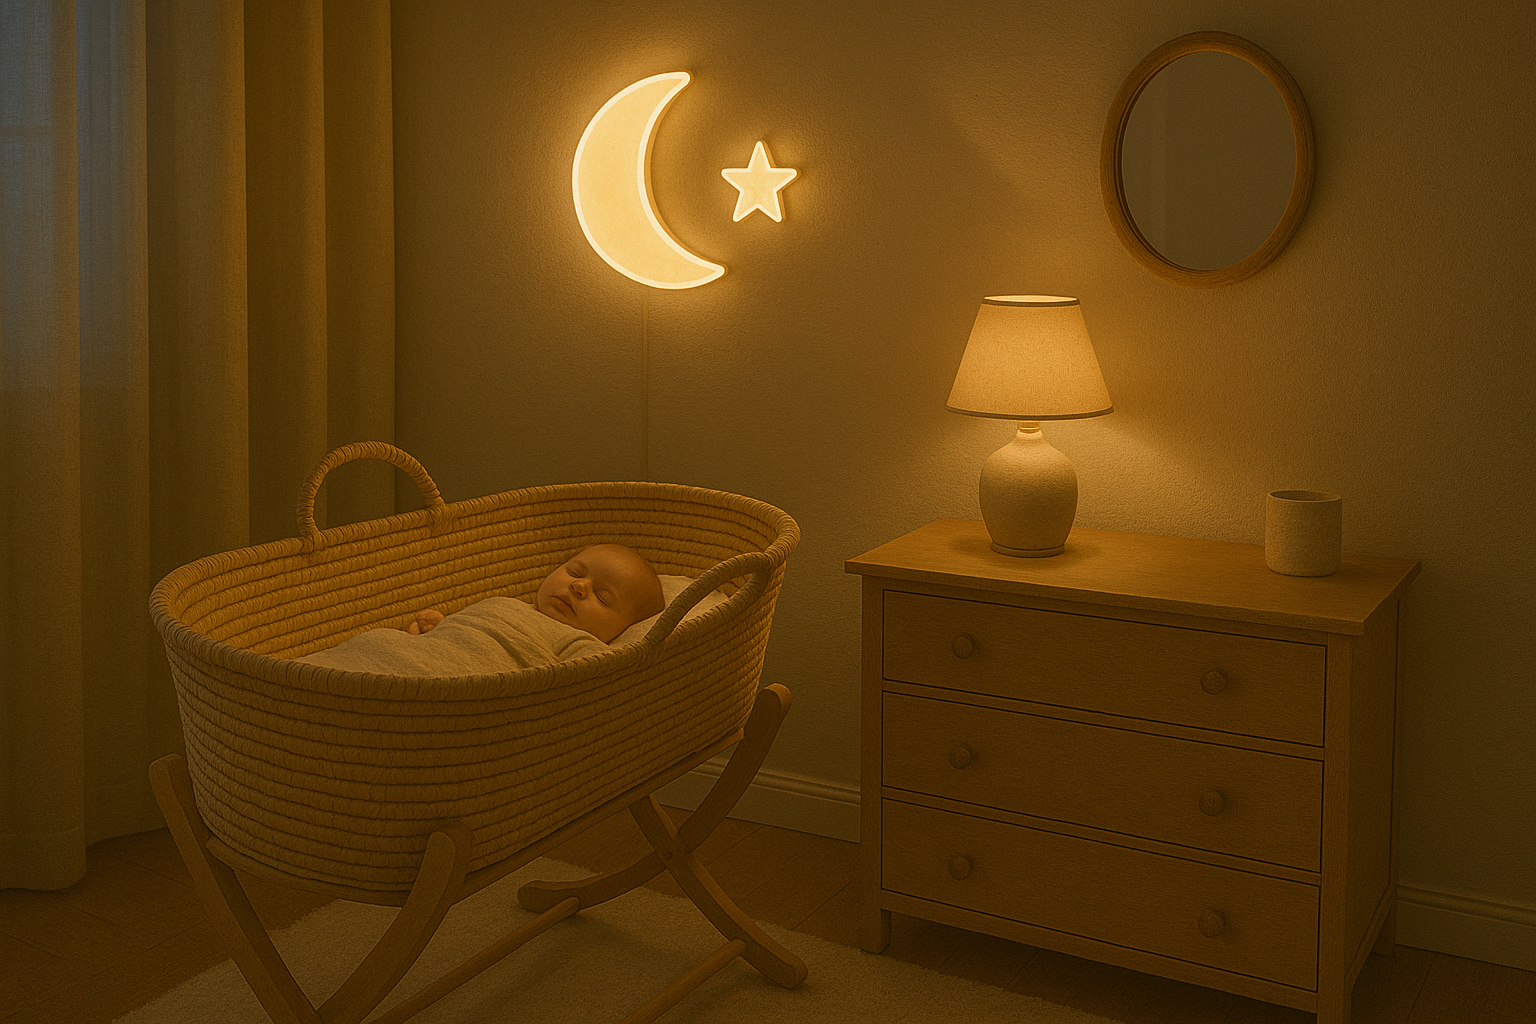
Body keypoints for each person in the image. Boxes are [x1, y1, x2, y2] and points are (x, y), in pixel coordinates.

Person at [406, 543, 666, 644]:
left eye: (603, 597)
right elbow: (478, 632)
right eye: (574, 572)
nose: (578, 586)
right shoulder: (516, 608)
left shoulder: (579, 643)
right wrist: (444, 628)